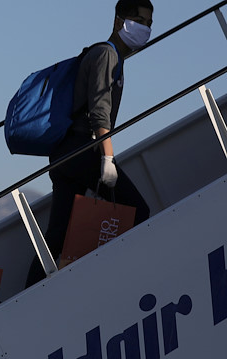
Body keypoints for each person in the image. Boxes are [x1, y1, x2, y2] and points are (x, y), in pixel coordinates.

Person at [26, 0, 153, 287]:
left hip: (66, 152)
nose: (145, 28)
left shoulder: (105, 55)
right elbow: (99, 110)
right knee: (138, 211)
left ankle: (28, 293)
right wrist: (107, 159)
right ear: (119, 21)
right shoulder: (107, 55)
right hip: (84, 150)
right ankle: (118, 278)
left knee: (57, 234)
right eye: (140, 20)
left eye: (149, 23)